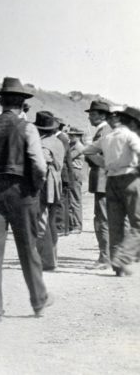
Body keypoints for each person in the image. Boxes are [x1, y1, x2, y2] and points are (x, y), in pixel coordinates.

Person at [0, 77, 51, 324]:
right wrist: (35, 188)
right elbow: (39, 165)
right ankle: (38, 302)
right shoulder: (28, 128)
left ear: (0, 102)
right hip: (21, 193)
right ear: (21, 103)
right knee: (28, 247)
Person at [82, 105, 140, 276]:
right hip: (129, 178)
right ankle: (122, 258)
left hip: (111, 180)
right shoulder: (130, 136)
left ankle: (118, 267)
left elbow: (87, 151)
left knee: (115, 225)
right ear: (130, 121)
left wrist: (105, 163)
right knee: (137, 224)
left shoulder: (107, 137)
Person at [83, 99, 112, 269]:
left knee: (102, 219)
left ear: (102, 115)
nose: (89, 118)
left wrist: (85, 149)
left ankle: (104, 258)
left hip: (103, 179)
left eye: (92, 114)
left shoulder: (104, 132)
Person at [34, 111, 64, 271]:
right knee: (50, 221)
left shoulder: (43, 144)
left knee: (42, 220)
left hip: (45, 182)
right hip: (55, 183)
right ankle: (52, 258)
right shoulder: (57, 141)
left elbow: (40, 163)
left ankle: (46, 260)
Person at [65, 127, 86, 235]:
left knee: (75, 200)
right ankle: (73, 224)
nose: (69, 137)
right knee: (71, 199)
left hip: (75, 172)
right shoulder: (73, 145)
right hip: (72, 172)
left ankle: (77, 225)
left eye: (71, 135)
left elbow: (68, 157)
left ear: (77, 136)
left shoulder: (78, 147)